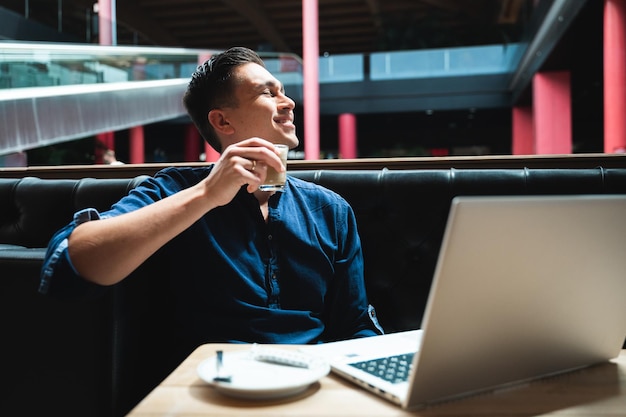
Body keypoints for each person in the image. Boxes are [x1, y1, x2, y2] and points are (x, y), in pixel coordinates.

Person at [39, 47, 383, 346]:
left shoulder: (330, 210)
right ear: (222, 121)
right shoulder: (172, 190)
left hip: (309, 382)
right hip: (207, 384)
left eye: (283, 92)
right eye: (268, 93)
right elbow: (71, 266)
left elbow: (355, 325)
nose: (289, 102)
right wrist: (206, 193)